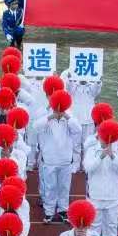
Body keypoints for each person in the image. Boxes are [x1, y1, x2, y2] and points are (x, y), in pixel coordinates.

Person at [34, 94, 80, 223]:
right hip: (49, 159)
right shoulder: (46, 116)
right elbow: (36, 127)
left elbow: (78, 129)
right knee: (50, 187)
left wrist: (66, 116)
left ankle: (63, 210)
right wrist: (51, 116)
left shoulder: (69, 116)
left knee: (64, 187)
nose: (58, 110)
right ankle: (49, 211)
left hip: (65, 159)